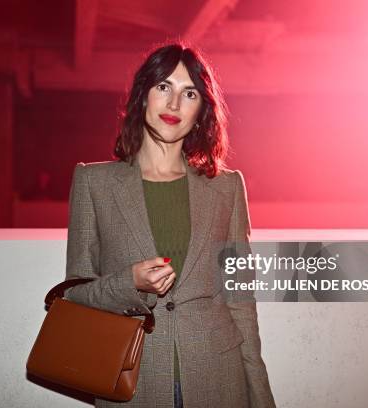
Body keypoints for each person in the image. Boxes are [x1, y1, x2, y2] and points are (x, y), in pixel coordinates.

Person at [64, 43, 276, 408]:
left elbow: (241, 302)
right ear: (142, 95)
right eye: (164, 87)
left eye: (189, 93)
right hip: (132, 382)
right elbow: (75, 294)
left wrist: (260, 396)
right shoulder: (93, 183)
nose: (174, 104)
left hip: (218, 380)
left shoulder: (226, 187)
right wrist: (128, 283)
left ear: (201, 111)